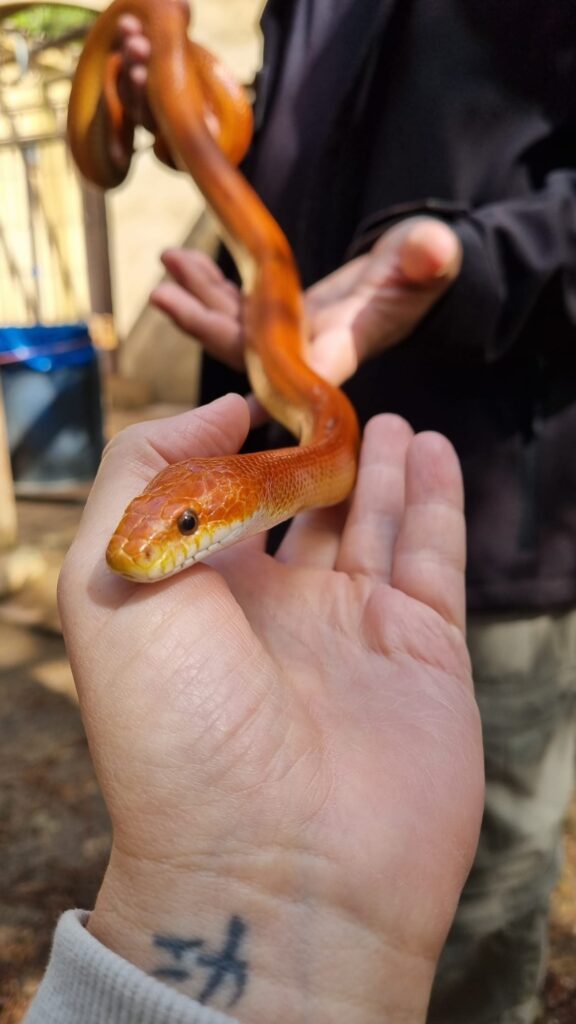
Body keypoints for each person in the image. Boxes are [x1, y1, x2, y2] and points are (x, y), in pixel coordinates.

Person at [111, 2, 576, 1022]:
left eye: (180, 526)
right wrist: (199, 102)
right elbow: (290, 131)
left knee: (483, 883)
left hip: (484, 522)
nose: (151, 545)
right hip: (285, 440)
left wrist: (481, 256)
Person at [25, 396, 484, 1023]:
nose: (133, 553)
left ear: (234, 509)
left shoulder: (275, 476)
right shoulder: (190, 516)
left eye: (187, 526)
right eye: (150, 521)